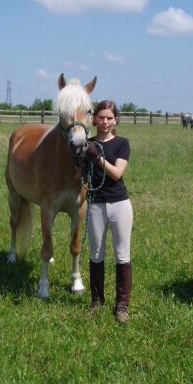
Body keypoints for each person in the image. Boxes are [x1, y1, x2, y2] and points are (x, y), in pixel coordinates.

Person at [86, 100, 133, 323]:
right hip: (95, 204)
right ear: (94, 119)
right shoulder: (87, 144)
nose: (105, 122)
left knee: (122, 255)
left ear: (115, 121)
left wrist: (97, 157)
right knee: (96, 254)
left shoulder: (122, 143)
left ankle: (122, 306)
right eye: (101, 117)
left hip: (120, 204)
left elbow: (117, 173)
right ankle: (96, 301)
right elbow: (82, 178)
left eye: (109, 118)